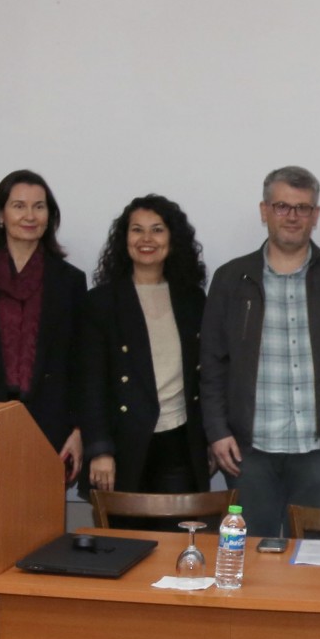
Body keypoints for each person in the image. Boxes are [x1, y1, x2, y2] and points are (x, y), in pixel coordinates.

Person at [200, 166, 320, 538]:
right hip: (248, 449)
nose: (292, 216)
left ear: (315, 215)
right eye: (282, 206)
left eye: (302, 207)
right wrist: (216, 431)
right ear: (264, 211)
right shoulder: (232, 278)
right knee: (252, 552)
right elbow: (212, 363)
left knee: (310, 554)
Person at [0, 169, 87, 482]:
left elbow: (80, 363)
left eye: (39, 206)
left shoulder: (70, 281)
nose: (30, 216)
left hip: (50, 425)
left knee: (39, 512)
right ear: (0, 215)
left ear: (50, 216)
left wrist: (79, 429)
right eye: (19, 206)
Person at [77, 194, 210, 500]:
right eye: (137, 230)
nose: (146, 239)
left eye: (157, 229)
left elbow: (206, 375)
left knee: (178, 531)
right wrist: (100, 450)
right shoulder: (101, 303)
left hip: (179, 443)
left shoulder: (193, 300)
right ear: (124, 239)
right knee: (123, 532)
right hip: (121, 447)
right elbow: (90, 383)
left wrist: (209, 440)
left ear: (172, 239)